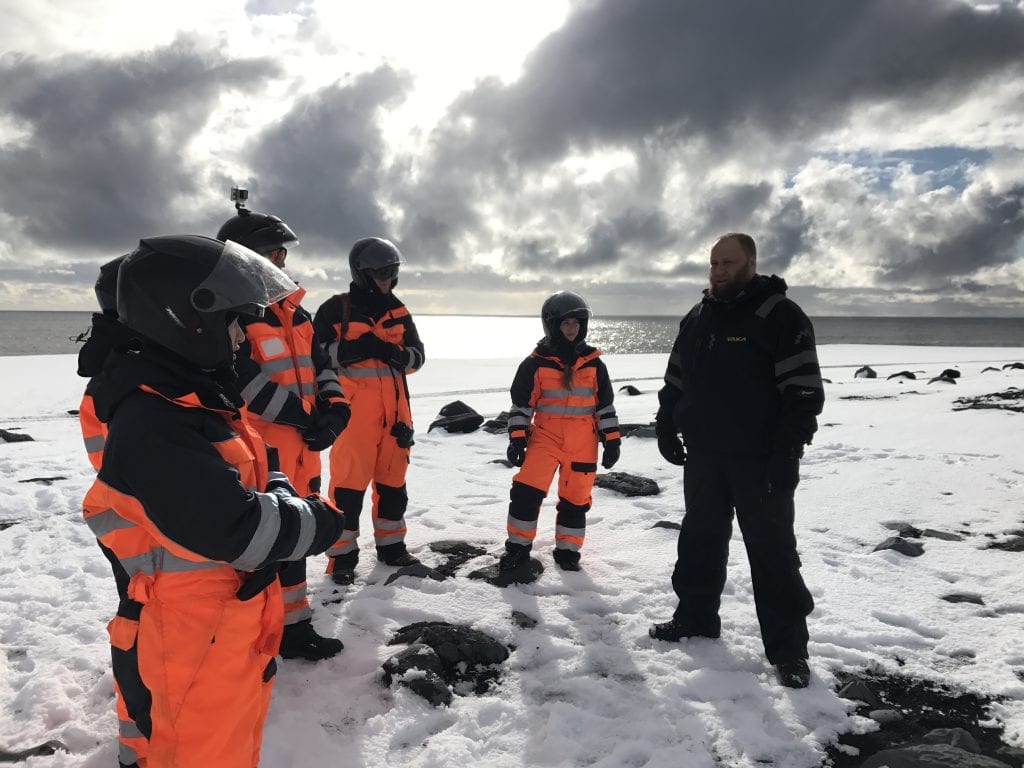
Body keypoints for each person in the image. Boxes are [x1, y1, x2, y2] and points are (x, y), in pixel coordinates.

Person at [82, 235, 345, 767]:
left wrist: (275, 483)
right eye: (231, 324)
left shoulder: (190, 394)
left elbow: (256, 459)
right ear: (187, 320)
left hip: (217, 631)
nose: (240, 340)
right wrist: (318, 520)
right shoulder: (155, 420)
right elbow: (239, 530)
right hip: (187, 642)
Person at [648, 232, 824, 690]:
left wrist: (788, 452)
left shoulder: (781, 316)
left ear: (751, 262)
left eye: (729, 262)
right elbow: (676, 379)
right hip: (705, 455)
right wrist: (666, 422)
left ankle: (789, 651)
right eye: (714, 263)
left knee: (773, 553)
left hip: (762, 459)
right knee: (700, 540)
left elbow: (803, 393)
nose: (719, 270)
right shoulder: (699, 315)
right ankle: (695, 618)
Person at [217, 201, 351, 661]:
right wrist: (299, 415)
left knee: (294, 536)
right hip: (258, 448)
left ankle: (293, 629)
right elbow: (241, 379)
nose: (281, 262)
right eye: (272, 253)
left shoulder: (298, 314)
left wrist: (335, 411)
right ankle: (251, 636)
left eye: (282, 254)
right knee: (259, 544)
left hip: (303, 448)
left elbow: (323, 367)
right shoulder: (231, 315)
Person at [313, 237, 425, 585]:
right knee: (347, 490)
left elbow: (418, 357)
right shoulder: (336, 309)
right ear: (361, 272)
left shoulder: (400, 311)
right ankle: (342, 558)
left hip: (396, 418)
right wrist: (350, 350)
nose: (385, 278)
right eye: (378, 272)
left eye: (390, 272)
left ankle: (392, 549)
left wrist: (398, 356)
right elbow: (312, 356)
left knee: (393, 487)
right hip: (353, 418)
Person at [498, 291, 621, 573]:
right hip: (546, 439)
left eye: (577, 322)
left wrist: (612, 442)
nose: (572, 328)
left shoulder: (594, 365)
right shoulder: (535, 363)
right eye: (566, 323)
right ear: (552, 325)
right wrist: (517, 439)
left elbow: (605, 408)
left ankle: (568, 552)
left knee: (576, 501)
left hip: (583, 444)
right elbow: (522, 406)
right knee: (526, 494)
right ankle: (517, 548)